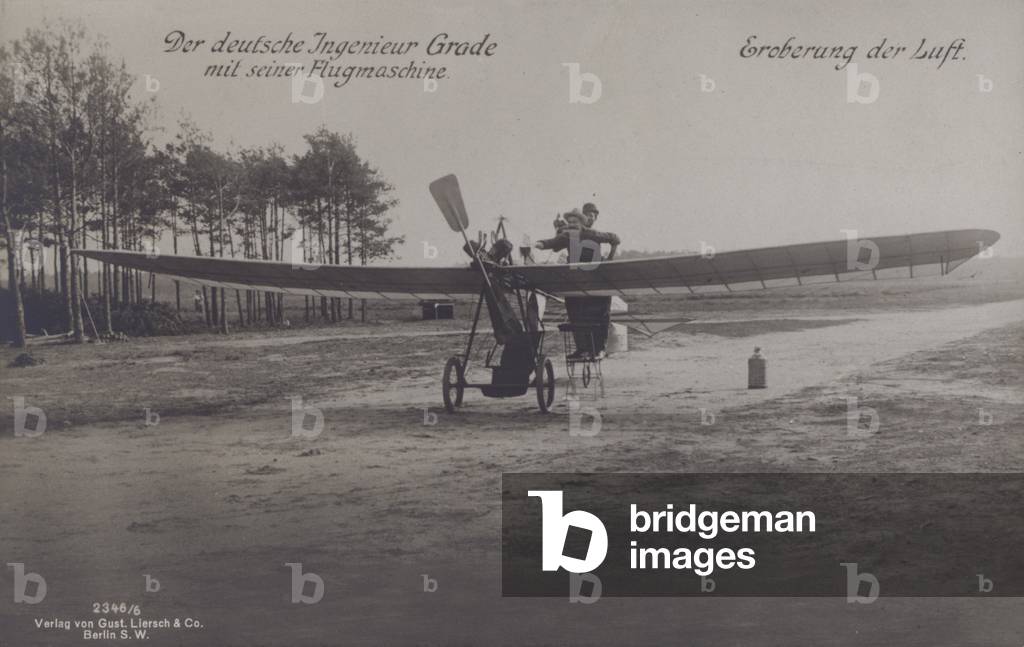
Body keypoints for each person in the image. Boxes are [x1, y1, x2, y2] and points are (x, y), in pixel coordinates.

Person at [535, 202, 619, 359]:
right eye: (570, 222)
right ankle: (582, 348)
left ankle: (599, 349)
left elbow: (615, 238)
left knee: (599, 314)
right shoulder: (567, 235)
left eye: (575, 222)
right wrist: (539, 244)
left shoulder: (592, 234)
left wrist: (609, 260)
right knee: (575, 314)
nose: (572, 224)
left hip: (596, 280)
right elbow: (553, 243)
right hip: (576, 281)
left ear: (582, 223)